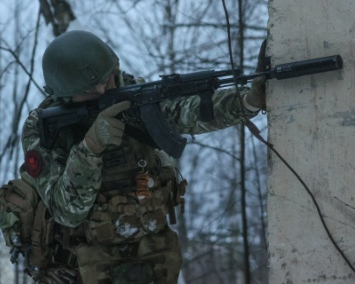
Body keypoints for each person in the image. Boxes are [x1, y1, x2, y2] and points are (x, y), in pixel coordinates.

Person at [18, 30, 266, 284]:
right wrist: (90, 147)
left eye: (108, 78)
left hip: (150, 260)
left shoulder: (131, 94)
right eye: (92, 89)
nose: (104, 89)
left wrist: (246, 101)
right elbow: (66, 211)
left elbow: (184, 111)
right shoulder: (42, 129)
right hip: (80, 269)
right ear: (64, 95)